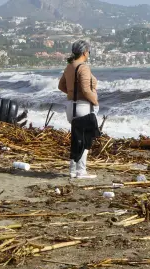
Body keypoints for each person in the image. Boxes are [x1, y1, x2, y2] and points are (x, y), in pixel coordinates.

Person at [59, 40, 99, 179]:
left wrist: (72, 94)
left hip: (71, 106)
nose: (89, 54)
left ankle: (72, 170)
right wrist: (95, 101)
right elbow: (86, 90)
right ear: (84, 52)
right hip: (82, 107)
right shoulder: (83, 67)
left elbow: (61, 86)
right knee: (85, 139)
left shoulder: (69, 66)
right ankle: (81, 171)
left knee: (77, 139)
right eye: (89, 51)